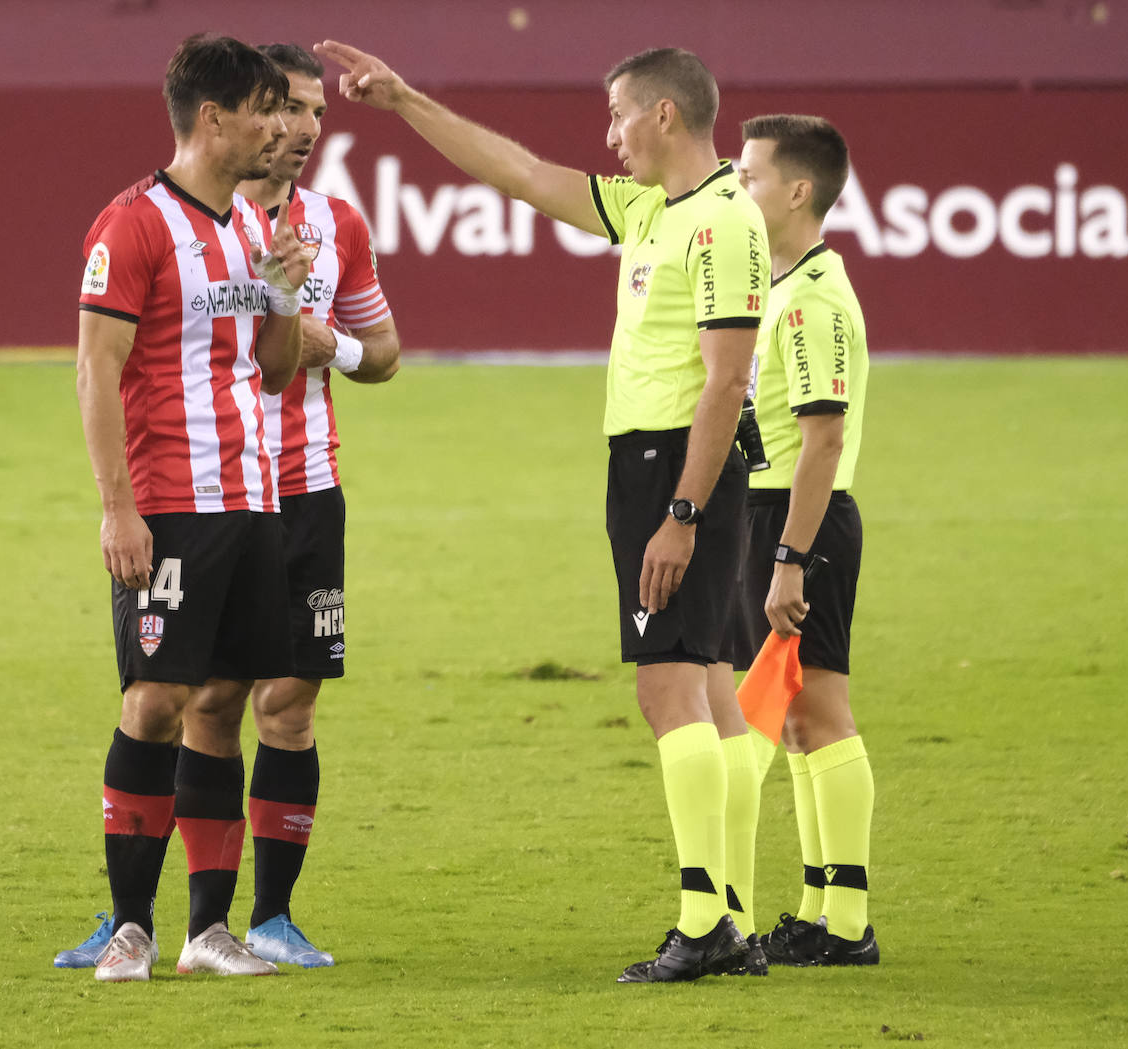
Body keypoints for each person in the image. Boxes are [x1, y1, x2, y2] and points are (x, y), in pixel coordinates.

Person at [313, 39, 769, 982]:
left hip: (677, 467)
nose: (608, 139)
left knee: (666, 687)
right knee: (713, 685)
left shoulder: (723, 223)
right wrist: (403, 99)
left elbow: (726, 382)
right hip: (663, 464)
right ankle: (732, 910)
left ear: (665, 116)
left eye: (617, 118)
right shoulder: (653, 207)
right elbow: (517, 172)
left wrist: (680, 511)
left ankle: (705, 923)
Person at [72, 32, 312, 982]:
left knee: (224, 700)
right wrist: (116, 508)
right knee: (156, 697)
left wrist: (287, 296)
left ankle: (207, 932)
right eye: (265, 110)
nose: (282, 128)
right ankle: (131, 924)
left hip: (254, 503)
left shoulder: (252, 230)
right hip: (170, 503)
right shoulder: (129, 225)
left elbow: (278, 367)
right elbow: (95, 368)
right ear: (213, 119)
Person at [185, 42, 401, 969]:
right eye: (288, 109)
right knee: (205, 697)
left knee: (292, 698)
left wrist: (330, 348)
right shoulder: (187, 219)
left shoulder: (339, 225)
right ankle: (174, 918)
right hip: (212, 486)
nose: (305, 129)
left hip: (308, 486)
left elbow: (384, 351)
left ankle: (271, 918)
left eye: (317, 112)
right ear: (246, 114)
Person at [716, 114, 878, 966]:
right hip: (771, 516)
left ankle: (845, 921)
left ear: (799, 191)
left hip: (795, 520)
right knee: (798, 721)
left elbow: (822, 440)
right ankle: (825, 910)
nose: (739, 188)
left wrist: (786, 556)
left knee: (812, 711)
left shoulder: (813, 298)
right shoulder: (788, 283)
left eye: (749, 177)